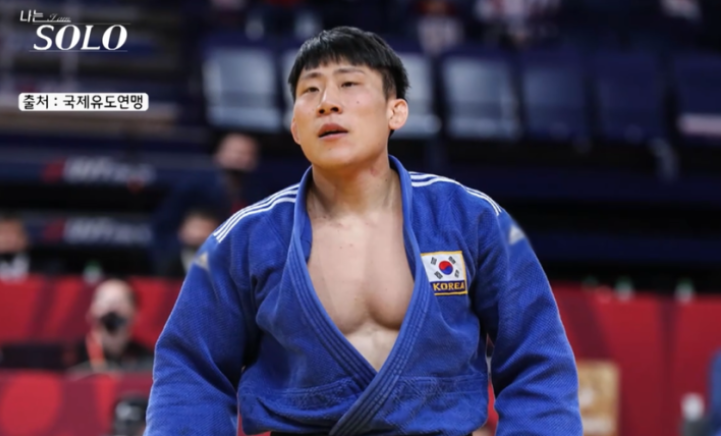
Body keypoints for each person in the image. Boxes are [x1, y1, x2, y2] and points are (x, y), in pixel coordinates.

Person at [145, 26, 581, 435]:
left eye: (349, 84)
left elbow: (537, 358)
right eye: (310, 90)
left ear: (396, 111)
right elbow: (190, 370)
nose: (327, 103)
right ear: (295, 126)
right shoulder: (243, 238)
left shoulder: (470, 218)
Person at [71, 278, 154, 372]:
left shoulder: (149, 360)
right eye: (105, 302)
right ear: (90, 312)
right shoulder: (70, 358)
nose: (112, 310)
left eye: (120, 303)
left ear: (136, 315)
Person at [155, 209, 222, 278]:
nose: (199, 234)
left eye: (206, 229)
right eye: (195, 228)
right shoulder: (167, 262)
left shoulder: (223, 263)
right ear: (181, 231)